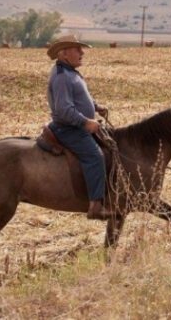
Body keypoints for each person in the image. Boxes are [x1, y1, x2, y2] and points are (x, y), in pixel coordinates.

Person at [46, 34, 112, 219]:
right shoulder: (62, 77)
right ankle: (96, 206)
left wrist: (96, 106)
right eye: (77, 49)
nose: (82, 52)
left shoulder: (70, 73)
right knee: (95, 156)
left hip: (76, 126)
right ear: (64, 54)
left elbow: (80, 97)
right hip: (69, 129)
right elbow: (64, 109)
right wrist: (85, 122)